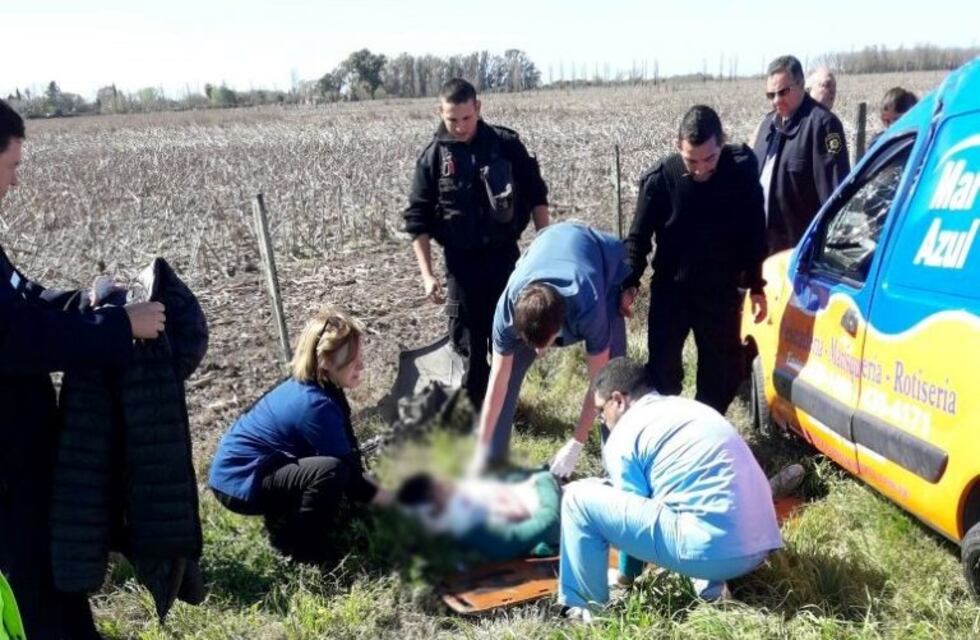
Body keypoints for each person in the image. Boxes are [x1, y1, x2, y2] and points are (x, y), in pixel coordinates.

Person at [0, 99, 167, 639]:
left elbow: (24, 298)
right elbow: (14, 338)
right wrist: (117, 328)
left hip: (22, 457)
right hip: (5, 473)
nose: (15, 182)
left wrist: (84, 301)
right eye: (12, 166)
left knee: (50, 582)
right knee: (29, 590)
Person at [558, 358, 782, 619]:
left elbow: (633, 509)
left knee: (576, 498)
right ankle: (711, 590)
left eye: (600, 412)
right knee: (689, 502)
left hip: (714, 553)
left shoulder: (624, 433)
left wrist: (627, 577)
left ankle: (589, 611)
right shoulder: (689, 409)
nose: (602, 421)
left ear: (618, 400)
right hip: (760, 547)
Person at [403, 78, 550, 408]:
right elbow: (417, 219)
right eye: (451, 119)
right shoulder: (433, 158)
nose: (459, 126)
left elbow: (537, 195)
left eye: (466, 118)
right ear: (440, 112)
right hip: (461, 268)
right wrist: (427, 275)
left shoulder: (505, 145)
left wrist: (545, 249)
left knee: (510, 343)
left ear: (478, 108)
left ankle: (507, 414)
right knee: (470, 353)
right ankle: (476, 422)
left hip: (504, 260)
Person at [208, 307, 392, 565]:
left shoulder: (322, 386)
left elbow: (351, 456)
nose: (361, 365)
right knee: (330, 472)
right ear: (325, 361)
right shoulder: (316, 404)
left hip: (254, 469)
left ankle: (287, 525)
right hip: (239, 481)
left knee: (333, 471)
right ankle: (303, 551)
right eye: (353, 359)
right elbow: (351, 479)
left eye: (361, 356)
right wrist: (399, 503)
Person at [624, 105, 768, 415]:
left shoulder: (740, 173)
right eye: (691, 161)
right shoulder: (660, 181)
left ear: (722, 143)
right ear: (678, 146)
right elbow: (637, 239)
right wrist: (629, 283)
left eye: (709, 159)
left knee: (720, 377)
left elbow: (755, 231)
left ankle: (705, 429)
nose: (701, 169)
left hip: (720, 292)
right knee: (663, 374)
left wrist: (757, 284)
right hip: (672, 291)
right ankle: (668, 428)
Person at [470, 222, 635, 478]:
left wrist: (576, 442)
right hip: (545, 249)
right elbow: (497, 382)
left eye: (543, 345)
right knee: (509, 374)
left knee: (614, 384)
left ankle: (618, 468)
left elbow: (599, 384)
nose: (538, 352)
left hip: (599, 261)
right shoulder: (506, 313)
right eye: (531, 344)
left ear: (560, 328)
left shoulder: (588, 304)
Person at [753, 55, 851, 254]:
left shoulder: (824, 125)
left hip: (798, 251)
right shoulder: (767, 125)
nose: (776, 100)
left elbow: (835, 195)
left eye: (783, 92)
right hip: (762, 247)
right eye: (771, 95)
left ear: (801, 84)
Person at [396, 468, 561, 561]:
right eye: (437, 485)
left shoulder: (459, 505)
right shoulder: (480, 530)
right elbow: (550, 523)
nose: (443, 482)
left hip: (536, 496)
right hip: (551, 504)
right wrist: (544, 480)